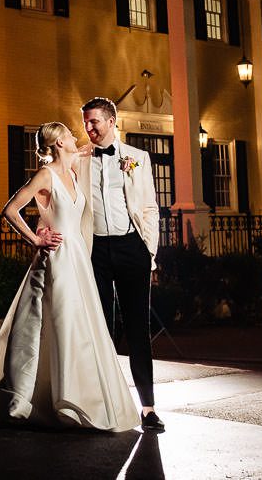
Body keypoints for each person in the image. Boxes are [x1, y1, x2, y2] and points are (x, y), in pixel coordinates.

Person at [0, 122, 140, 431]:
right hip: (56, 259)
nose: (75, 138)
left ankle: (78, 396)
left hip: (78, 259)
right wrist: (35, 239)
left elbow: (91, 150)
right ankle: (45, 399)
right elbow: (10, 210)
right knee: (54, 326)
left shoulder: (72, 171)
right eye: (69, 135)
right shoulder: (45, 175)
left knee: (78, 327)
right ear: (59, 142)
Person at [79, 96, 165, 433]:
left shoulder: (137, 158)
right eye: (85, 122)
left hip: (132, 248)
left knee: (138, 331)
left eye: (94, 122)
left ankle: (148, 408)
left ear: (111, 121)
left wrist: (149, 251)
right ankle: (104, 406)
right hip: (95, 250)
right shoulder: (80, 159)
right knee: (101, 330)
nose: (89, 129)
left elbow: (148, 207)